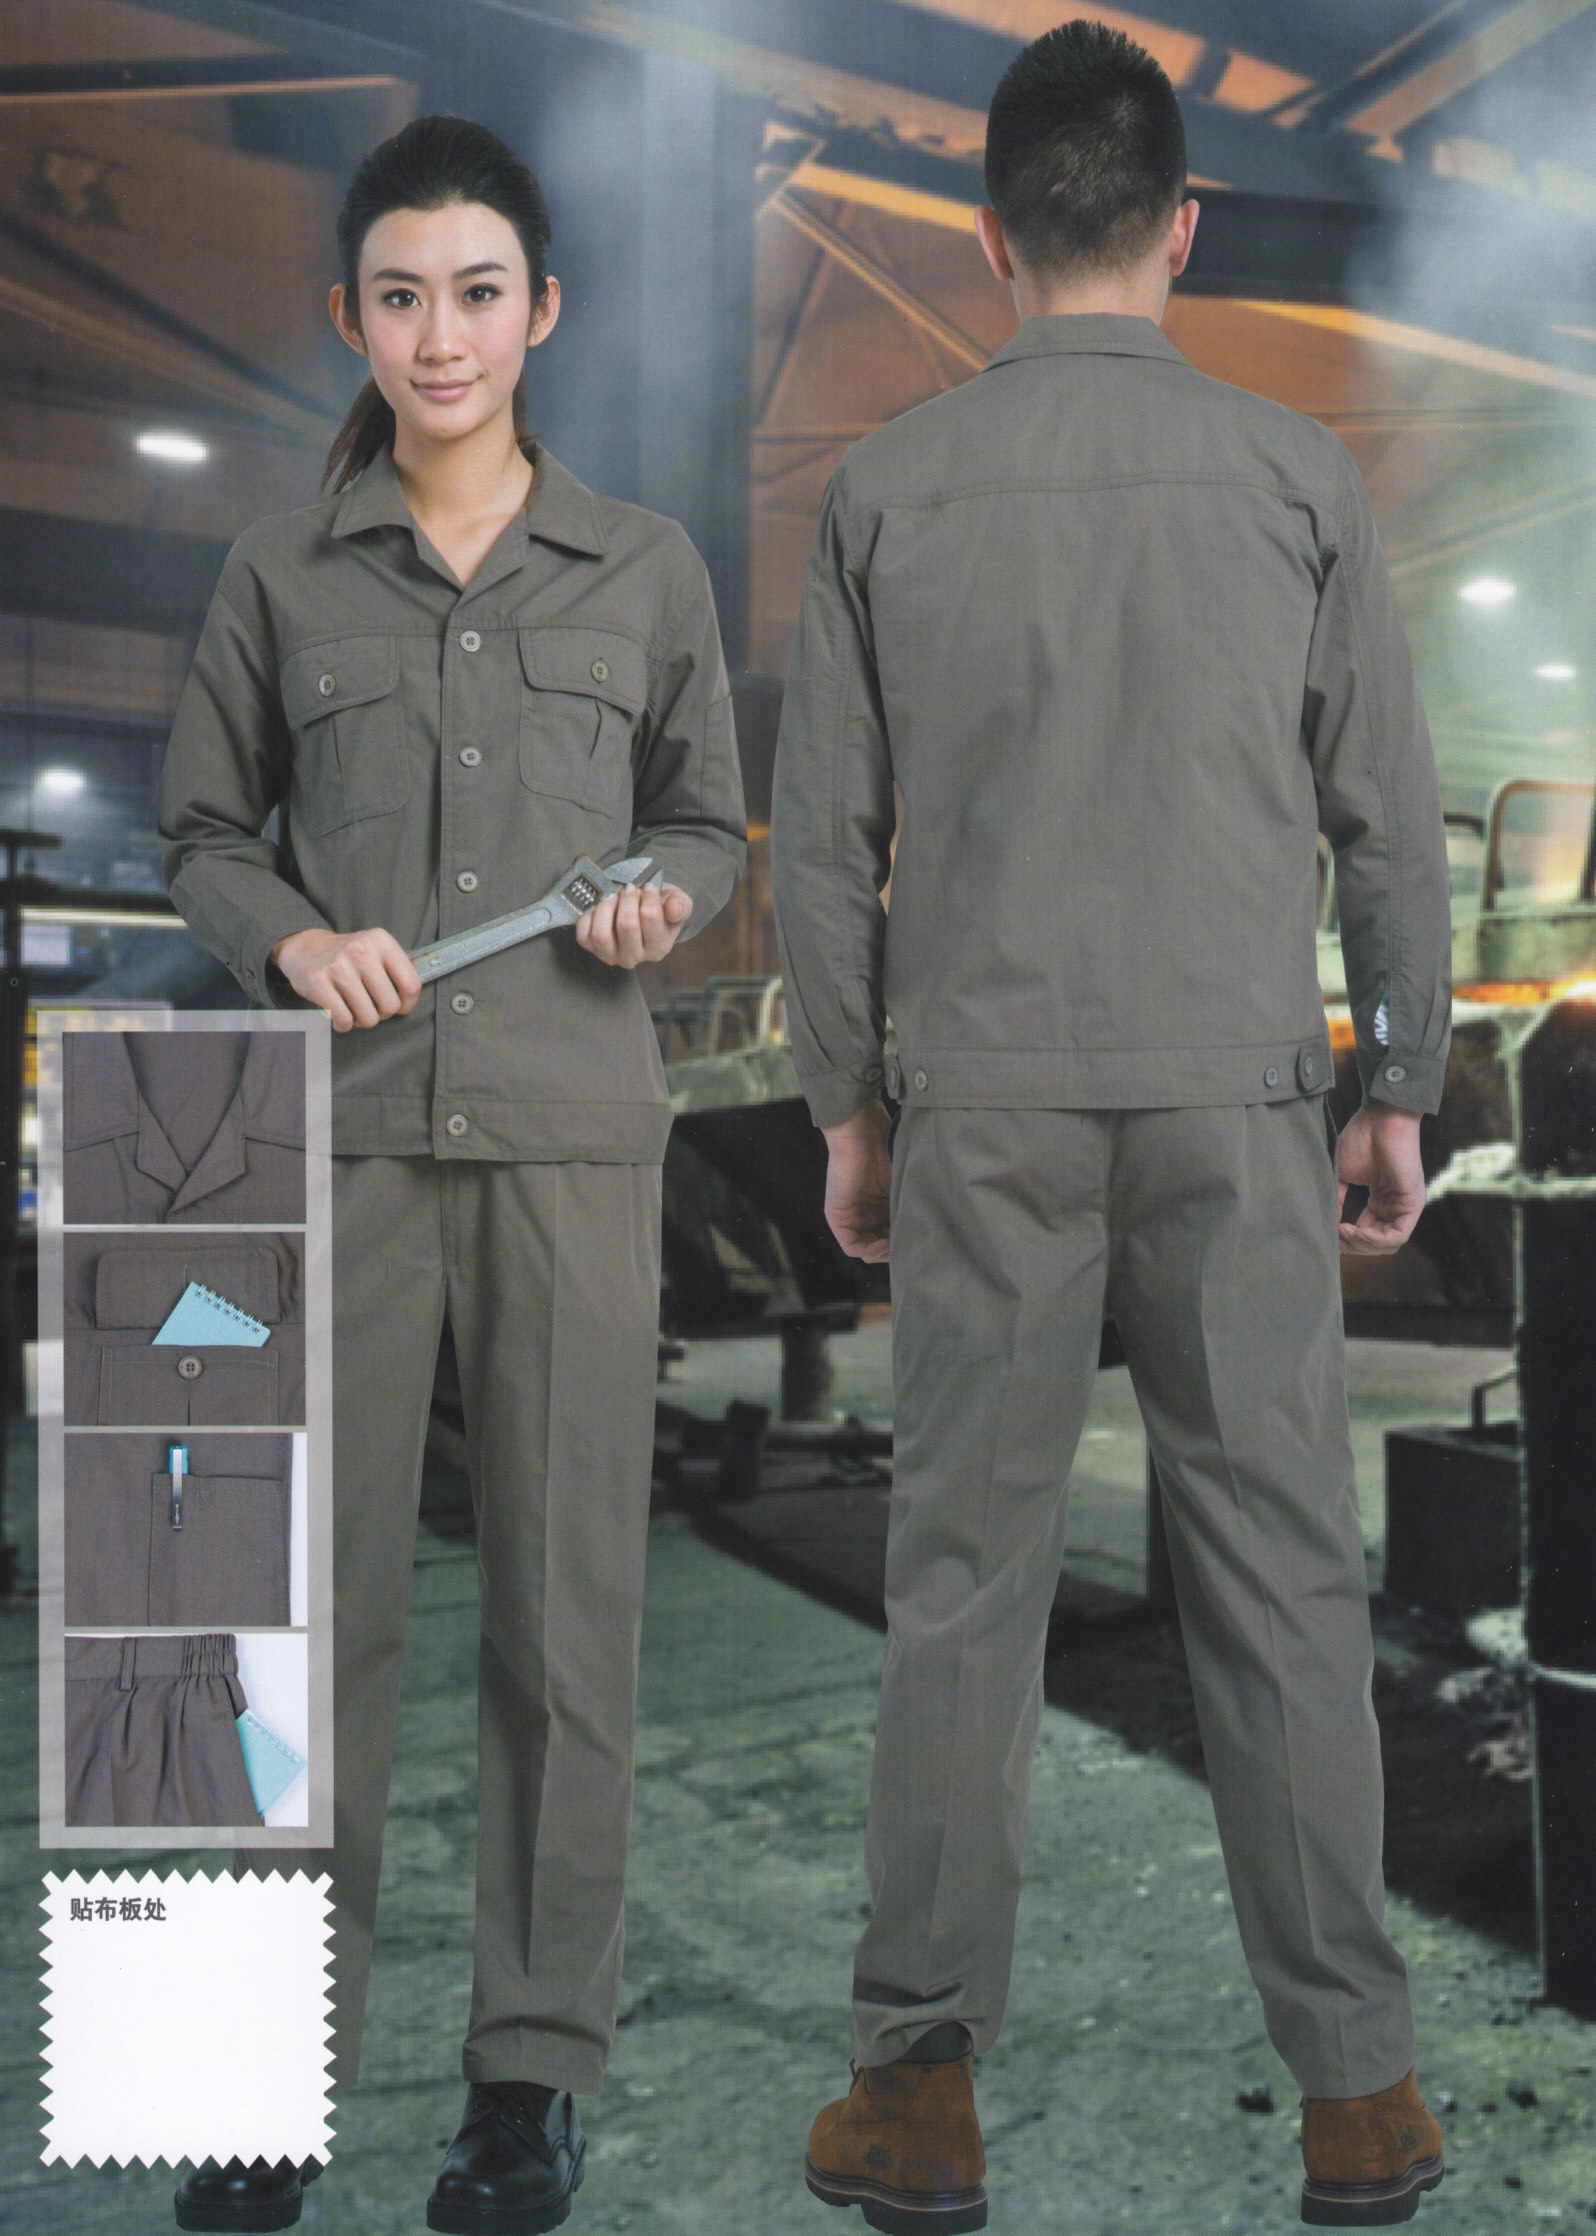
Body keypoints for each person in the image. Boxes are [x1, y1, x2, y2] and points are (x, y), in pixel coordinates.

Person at [770, 21, 1451, 2235]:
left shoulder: (885, 488)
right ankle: (1361, 2095)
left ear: (987, 239)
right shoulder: (1295, 474)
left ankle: (918, 2094)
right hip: (1239, 1105)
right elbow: (1388, 821)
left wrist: (849, 1103)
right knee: (1284, 1582)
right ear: (1184, 226)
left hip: (979, 1113)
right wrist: (1399, 1081)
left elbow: (822, 843)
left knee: (963, 1590)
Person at [158, 115, 744, 2236]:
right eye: (401, 295)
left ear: (540, 310)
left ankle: (530, 2081)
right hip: (339, 1146)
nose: (440, 335)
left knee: (564, 1630)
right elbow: (201, 831)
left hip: (575, 1141)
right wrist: (289, 939)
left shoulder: (644, 568)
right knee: (289, 1632)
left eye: (478, 292)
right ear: (353, 315)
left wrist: (664, 902)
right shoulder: (281, 572)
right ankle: (245, 2075)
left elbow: (707, 821)